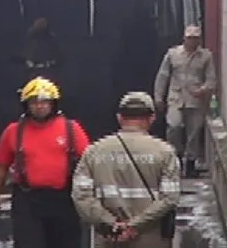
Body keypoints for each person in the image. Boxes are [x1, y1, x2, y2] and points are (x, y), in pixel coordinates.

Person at [0, 76, 90, 247]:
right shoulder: (13, 131)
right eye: (34, 102)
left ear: (53, 104)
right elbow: (0, 168)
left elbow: (90, 164)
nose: (40, 106)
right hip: (27, 202)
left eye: (44, 102)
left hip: (64, 200)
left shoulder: (72, 129)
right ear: (26, 105)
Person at [70, 92, 180, 248]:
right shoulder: (165, 152)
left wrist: (111, 224)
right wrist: (135, 225)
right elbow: (170, 197)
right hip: (151, 239)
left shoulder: (94, 151)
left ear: (119, 118)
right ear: (152, 118)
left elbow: (81, 196)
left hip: (109, 238)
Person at [153, 24, 216, 178]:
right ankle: (175, 158)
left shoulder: (206, 56)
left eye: (195, 39)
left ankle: (191, 162)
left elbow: (212, 79)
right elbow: (163, 76)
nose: (192, 42)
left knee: (193, 133)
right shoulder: (173, 54)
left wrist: (202, 90)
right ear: (184, 38)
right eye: (189, 38)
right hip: (176, 97)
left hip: (195, 100)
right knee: (173, 126)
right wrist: (158, 97)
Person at [21, 17, 62, 82]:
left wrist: (47, 64)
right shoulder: (31, 41)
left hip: (48, 75)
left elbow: (59, 58)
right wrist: (29, 63)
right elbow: (26, 56)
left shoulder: (51, 41)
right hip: (33, 75)